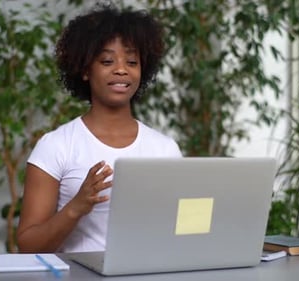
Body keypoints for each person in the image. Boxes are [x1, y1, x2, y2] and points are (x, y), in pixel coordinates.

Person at [16, 4, 182, 253]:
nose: (121, 69)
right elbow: (28, 245)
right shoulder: (56, 145)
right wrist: (76, 207)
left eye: (132, 61)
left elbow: (180, 232)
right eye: (107, 60)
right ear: (85, 70)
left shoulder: (165, 149)